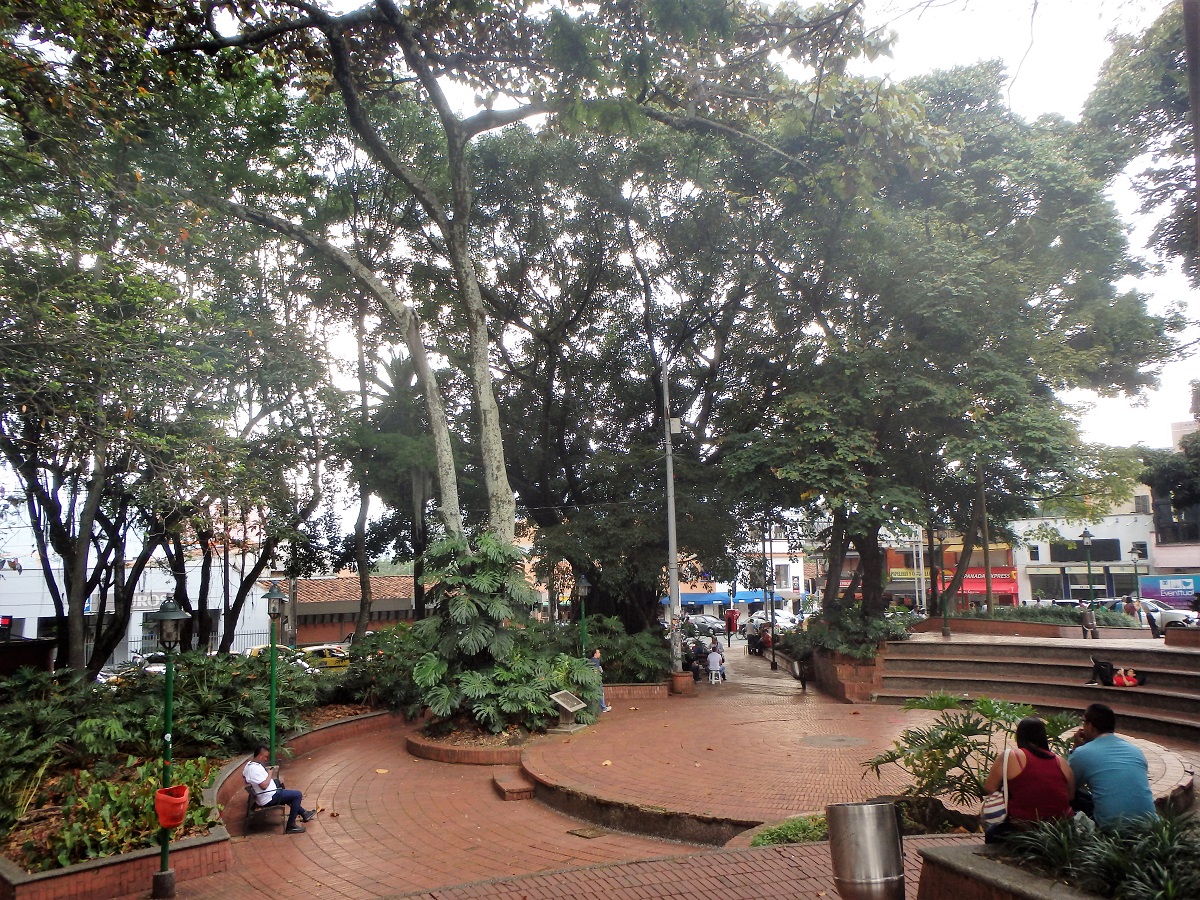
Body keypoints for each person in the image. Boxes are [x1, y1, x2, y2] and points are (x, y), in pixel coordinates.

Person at [982, 717, 1074, 844]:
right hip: (1057, 831)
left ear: (1020, 736)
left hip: (1022, 828)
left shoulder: (1011, 756)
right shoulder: (1061, 762)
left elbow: (989, 787)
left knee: (992, 832)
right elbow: (1071, 795)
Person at [1068, 703, 1156, 827]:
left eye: (1084, 722)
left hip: (1113, 829)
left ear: (1091, 726)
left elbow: (1067, 787)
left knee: (1075, 798)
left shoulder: (1082, 753)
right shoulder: (1135, 750)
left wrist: (1076, 748)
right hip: (1150, 825)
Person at [243, 745, 318, 834]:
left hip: (267, 793)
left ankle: (304, 813)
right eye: (265, 757)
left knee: (280, 784)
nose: (266, 759)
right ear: (260, 756)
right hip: (269, 797)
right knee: (297, 795)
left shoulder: (249, 764)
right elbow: (263, 786)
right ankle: (291, 826)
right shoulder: (254, 769)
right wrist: (270, 774)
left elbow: (244, 776)